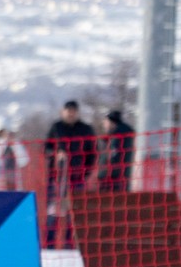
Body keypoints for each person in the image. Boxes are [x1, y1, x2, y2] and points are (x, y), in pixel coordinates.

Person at [42, 100, 95, 243]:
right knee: (53, 211)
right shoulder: (56, 127)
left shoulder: (86, 129)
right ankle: (49, 244)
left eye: (73, 110)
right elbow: (46, 148)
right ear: (63, 111)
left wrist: (85, 173)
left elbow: (92, 153)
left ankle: (70, 244)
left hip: (77, 178)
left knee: (74, 213)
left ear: (77, 112)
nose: (70, 113)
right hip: (57, 177)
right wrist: (56, 153)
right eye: (68, 110)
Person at [97, 108, 135, 192]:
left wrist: (102, 174)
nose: (104, 124)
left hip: (112, 181)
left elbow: (112, 157)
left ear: (112, 122)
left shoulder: (117, 138)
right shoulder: (120, 136)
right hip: (119, 180)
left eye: (105, 122)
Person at [0, 127, 22, 191]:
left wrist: (14, 144)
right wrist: (3, 143)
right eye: (3, 133)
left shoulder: (15, 143)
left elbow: (23, 161)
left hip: (12, 176)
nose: (6, 136)